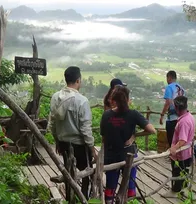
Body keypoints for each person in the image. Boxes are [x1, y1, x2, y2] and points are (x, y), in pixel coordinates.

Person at [100, 86, 156, 203]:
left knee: (110, 186)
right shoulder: (133, 114)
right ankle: (130, 201)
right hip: (128, 155)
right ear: (128, 99)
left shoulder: (106, 115)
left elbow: (104, 138)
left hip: (111, 156)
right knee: (130, 183)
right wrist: (134, 136)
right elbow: (152, 130)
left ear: (114, 100)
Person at [48, 66, 97, 200]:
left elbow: (52, 123)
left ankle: (71, 197)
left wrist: (57, 140)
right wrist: (92, 149)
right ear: (78, 80)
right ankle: (84, 198)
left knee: (69, 172)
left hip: (63, 143)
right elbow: (85, 128)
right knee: (86, 173)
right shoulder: (81, 100)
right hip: (80, 145)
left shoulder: (55, 97)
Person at [164, 96, 195, 198]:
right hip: (187, 153)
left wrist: (173, 148)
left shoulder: (183, 122)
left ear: (176, 108)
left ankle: (175, 191)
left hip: (180, 154)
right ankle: (183, 190)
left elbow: (182, 140)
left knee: (177, 172)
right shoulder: (189, 116)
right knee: (184, 171)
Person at [159, 71, 185, 147]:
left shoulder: (169, 87)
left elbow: (168, 102)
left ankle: (172, 157)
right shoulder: (181, 88)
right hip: (182, 117)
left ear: (169, 78)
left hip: (172, 118)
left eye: (167, 78)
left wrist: (162, 115)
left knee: (171, 139)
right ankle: (178, 157)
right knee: (179, 139)